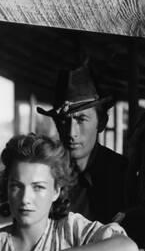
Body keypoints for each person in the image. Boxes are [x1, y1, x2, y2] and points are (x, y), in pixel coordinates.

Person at [0, 134, 138, 251]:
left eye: (38, 187)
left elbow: (127, 249)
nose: (25, 199)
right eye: (16, 186)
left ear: (56, 191)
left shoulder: (71, 229)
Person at [37, 64, 128, 224]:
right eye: (64, 121)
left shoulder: (123, 173)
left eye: (81, 120)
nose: (72, 133)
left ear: (102, 122)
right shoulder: (46, 174)